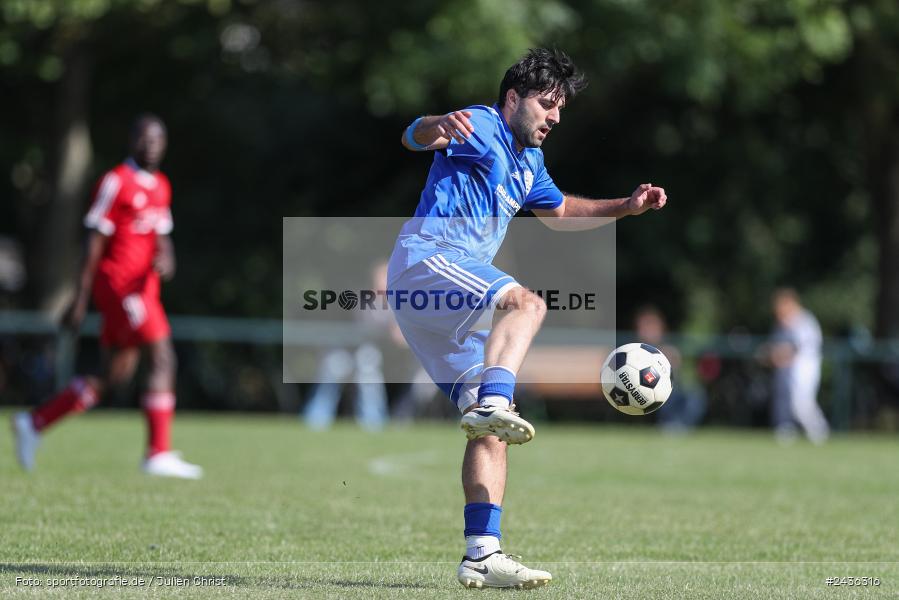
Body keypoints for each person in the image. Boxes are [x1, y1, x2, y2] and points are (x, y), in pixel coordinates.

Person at [387, 48, 667, 589]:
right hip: (428, 259)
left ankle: (481, 554)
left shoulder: (528, 163)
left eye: (560, 108)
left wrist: (625, 208)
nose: (555, 117)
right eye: (546, 104)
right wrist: (433, 125)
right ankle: (494, 401)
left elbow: (559, 213)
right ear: (513, 98)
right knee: (527, 304)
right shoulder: (484, 126)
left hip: (441, 302)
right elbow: (413, 136)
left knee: (490, 428)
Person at [11, 114, 203, 479]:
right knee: (163, 357)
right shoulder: (115, 182)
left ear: (165, 144)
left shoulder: (161, 185)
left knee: (114, 375)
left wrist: (168, 259)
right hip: (119, 286)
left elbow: (162, 235)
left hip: (145, 290)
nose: (151, 145)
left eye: (158, 139)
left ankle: (35, 422)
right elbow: (93, 241)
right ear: (132, 141)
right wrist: (80, 297)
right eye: (144, 138)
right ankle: (157, 453)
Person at [767, 288, 829, 444]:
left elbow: (798, 347)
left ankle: (819, 431)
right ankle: (788, 431)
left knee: (801, 402)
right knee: (787, 401)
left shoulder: (804, 321)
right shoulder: (784, 323)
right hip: (790, 367)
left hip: (805, 366)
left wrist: (779, 355)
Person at [633, 305, 706, 431]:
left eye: (653, 326)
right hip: (641, 391)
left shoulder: (668, 349)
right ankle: (669, 423)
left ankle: (678, 426)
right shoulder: (631, 351)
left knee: (695, 394)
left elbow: (677, 372)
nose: (649, 331)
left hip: (671, 389)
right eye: (645, 327)